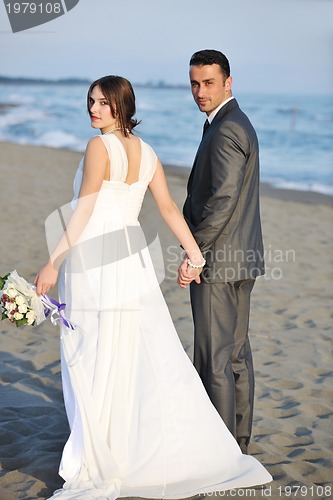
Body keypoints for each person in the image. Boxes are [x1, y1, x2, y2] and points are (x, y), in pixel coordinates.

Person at [35, 75, 271, 499]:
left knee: (94, 351)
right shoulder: (148, 153)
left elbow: (86, 210)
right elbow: (167, 210)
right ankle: (132, 440)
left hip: (95, 260)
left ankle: (107, 447)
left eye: (104, 104)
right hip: (131, 258)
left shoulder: (97, 147)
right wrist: (194, 253)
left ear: (122, 106)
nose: (94, 110)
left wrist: (53, 263)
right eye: (91, 101)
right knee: (130, 348)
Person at [179, 50, 265, 454]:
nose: (200, 91)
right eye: (195, 83)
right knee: (235, 355)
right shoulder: (233, 123)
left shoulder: (227, 129)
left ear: (228, 82)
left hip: (218, 263)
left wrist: (195, 252)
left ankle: (221, 452)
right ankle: (238, 445)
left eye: (209, 82)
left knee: (215, 359)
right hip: (242, 259)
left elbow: (223, 198)